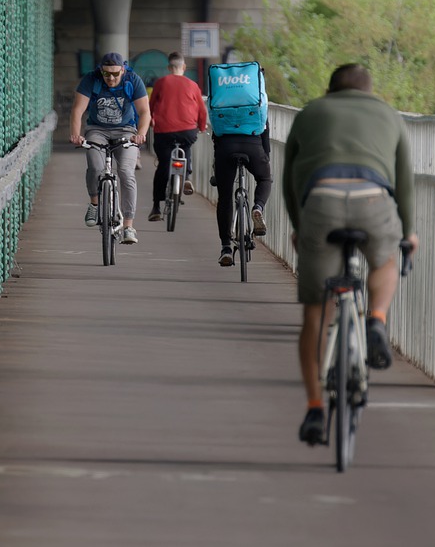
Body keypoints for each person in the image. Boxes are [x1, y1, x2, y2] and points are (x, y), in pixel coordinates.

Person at [281, 63, 419, 446]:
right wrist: (407, 231)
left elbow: (290, 179)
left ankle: (314, 409)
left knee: (314, 314)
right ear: (369, 91)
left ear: (330, 90)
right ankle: (376, 319)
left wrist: (300, 226)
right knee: (386, 257)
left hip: (321, 202)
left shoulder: (311, 112)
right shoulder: (387, 114)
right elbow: (404, 181)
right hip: (373, 200)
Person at [69, 52, 151, 244]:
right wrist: (76, 134)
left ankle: (129, 226)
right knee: (96, 167)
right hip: (97, 130)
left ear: (123, 70)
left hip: (126, 130)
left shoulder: (133, 80)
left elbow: (145, 111)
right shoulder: (91, 79)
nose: (111, 78)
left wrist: (141, 134)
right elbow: (78, 109)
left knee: (126, 172)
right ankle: (94, 203)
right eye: (107, 74)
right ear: (101, 71)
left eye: (115, 74)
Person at [209, 63, 273, 267]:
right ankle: (257, 207)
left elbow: (216, 135)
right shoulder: (258, 99)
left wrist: (215, 168)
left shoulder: (223, 98)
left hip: (225, 147)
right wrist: (265, 157)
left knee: (225, 197)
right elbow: (265, 131)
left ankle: (226, 247)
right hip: (253, 146)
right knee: (264, 178)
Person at [146, 52, 207, 221]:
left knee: (164, 165)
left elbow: (150, 105)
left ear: (169, 67)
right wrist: (201, 127)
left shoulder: (161, 82)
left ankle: (156, 207)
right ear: (184, 67)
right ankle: (186, 177)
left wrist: (150, 119)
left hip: (164, 131)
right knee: (186, 146)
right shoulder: (193, 85)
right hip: (187, 130)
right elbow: (202, 110)